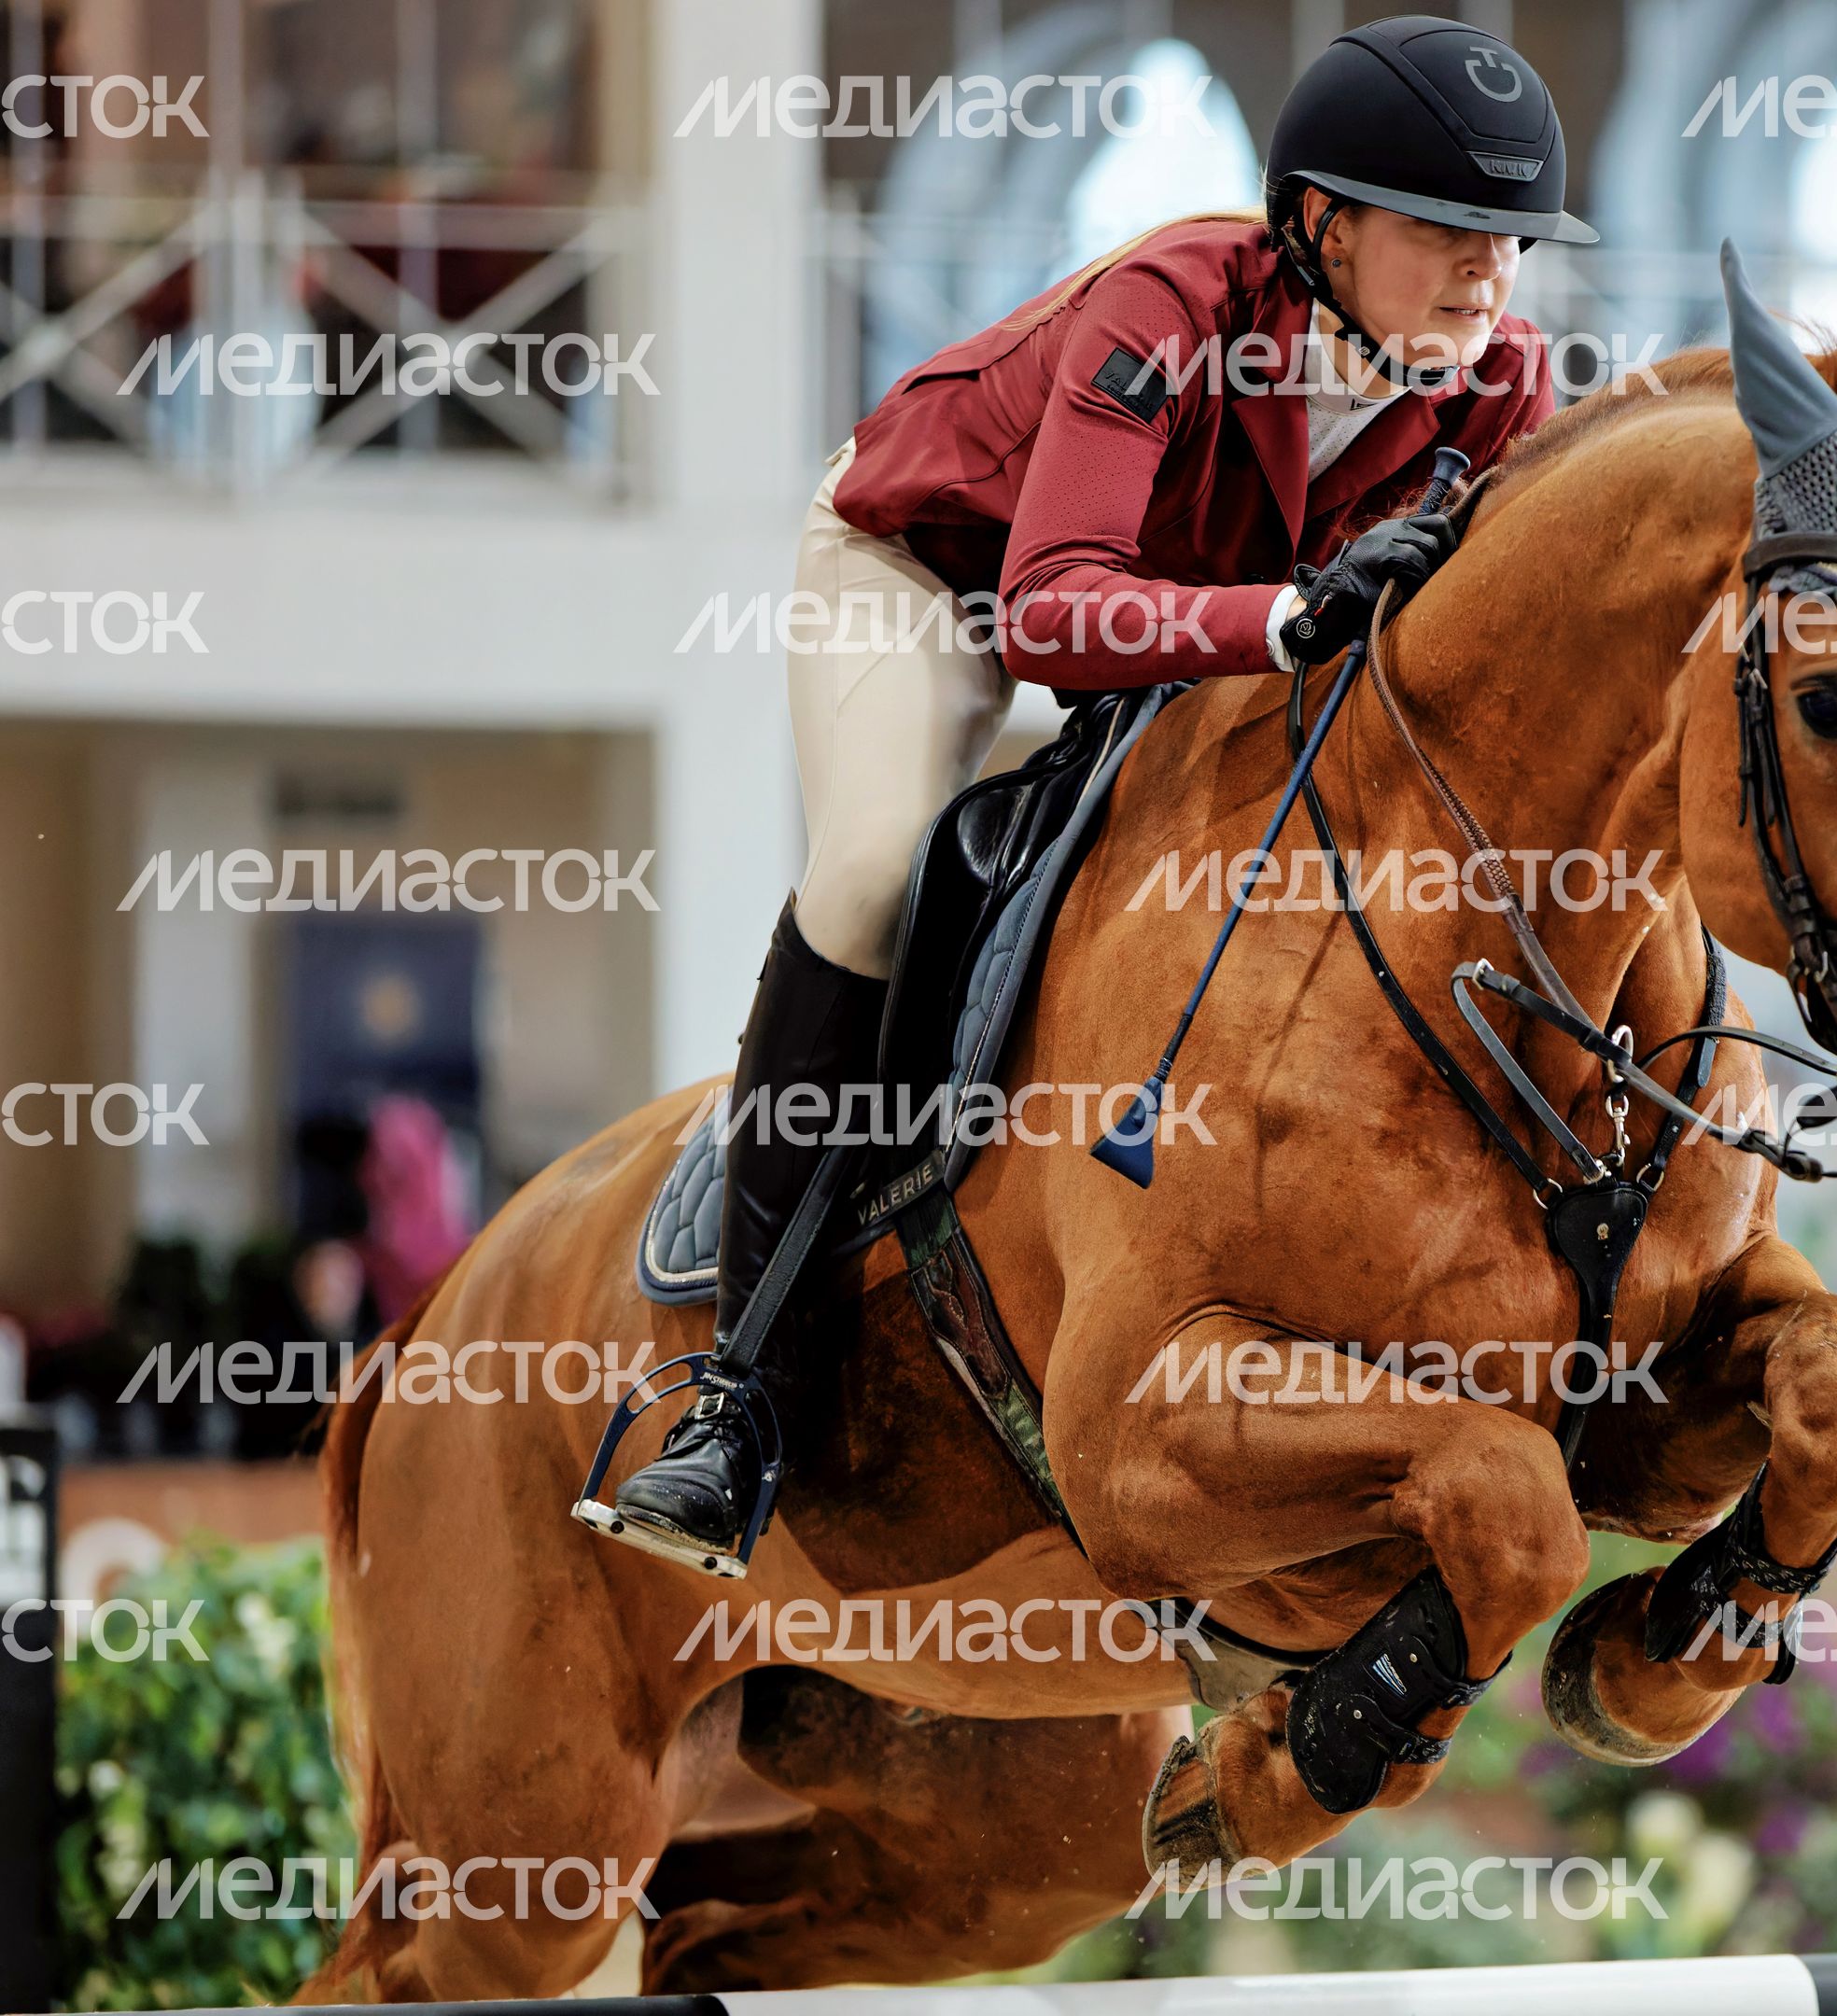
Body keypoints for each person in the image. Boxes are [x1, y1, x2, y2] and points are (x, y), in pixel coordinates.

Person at [596, 17, 1596, 1568]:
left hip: (1201, 635)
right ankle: (738, 1397)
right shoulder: (1171, 305)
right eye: (1448, 234)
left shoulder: (1503, 387)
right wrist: (1288, 613)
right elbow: (1057, 606)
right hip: (935, 569)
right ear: (1320, 225)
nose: (1489, 276)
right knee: (875, 863)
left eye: (1512, 242)